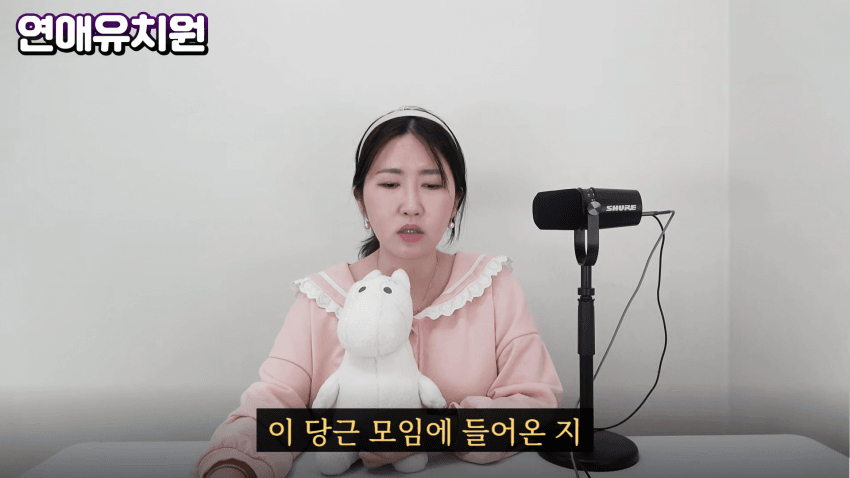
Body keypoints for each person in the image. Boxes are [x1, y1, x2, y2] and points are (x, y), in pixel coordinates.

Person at [194, 106, 563, 478]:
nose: (411, 206)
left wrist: (431, 432)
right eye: (389, 185)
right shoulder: (321, 298)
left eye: (432, 185)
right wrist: (233, 466)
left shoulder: (492, 285)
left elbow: (536, 405)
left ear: (455, 202)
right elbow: (268, 410)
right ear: (361, 201)